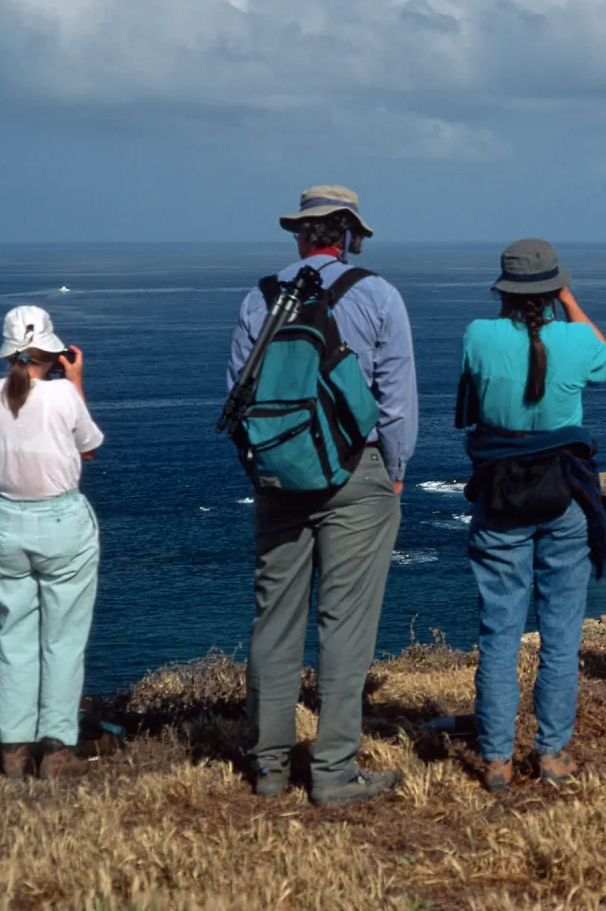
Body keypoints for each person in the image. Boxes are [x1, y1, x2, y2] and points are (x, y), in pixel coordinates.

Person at [228, 185, 417, 805]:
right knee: (345, 626)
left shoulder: (259, 299)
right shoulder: (378, 294)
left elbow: (240, 394)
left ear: (301, 234)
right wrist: (395, 471)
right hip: (355, 473)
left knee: (274, 621)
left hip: (279, 476)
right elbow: (395, 401)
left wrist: (267, 469)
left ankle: (269, 769)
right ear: (349, 234)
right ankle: (333, 774)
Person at [458, 239, 606, 791]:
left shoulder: (478, 334)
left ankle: (497, 760)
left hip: (500, 497)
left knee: (499, 629)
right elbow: (605, 360)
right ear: (552, 289)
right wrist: (569, 302)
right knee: (561, 630)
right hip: (565, 496)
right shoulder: (574, 338)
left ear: (503, 289)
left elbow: (474, 394)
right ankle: (551, 754)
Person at [0, 305, 103, 780]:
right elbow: (88, 448)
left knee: (13, 635)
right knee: (63, 639)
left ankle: (13, 748)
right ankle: (56, 750)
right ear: (50, 351)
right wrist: (75, 381)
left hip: (6, 520)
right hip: (60, 521)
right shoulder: (61, 396)